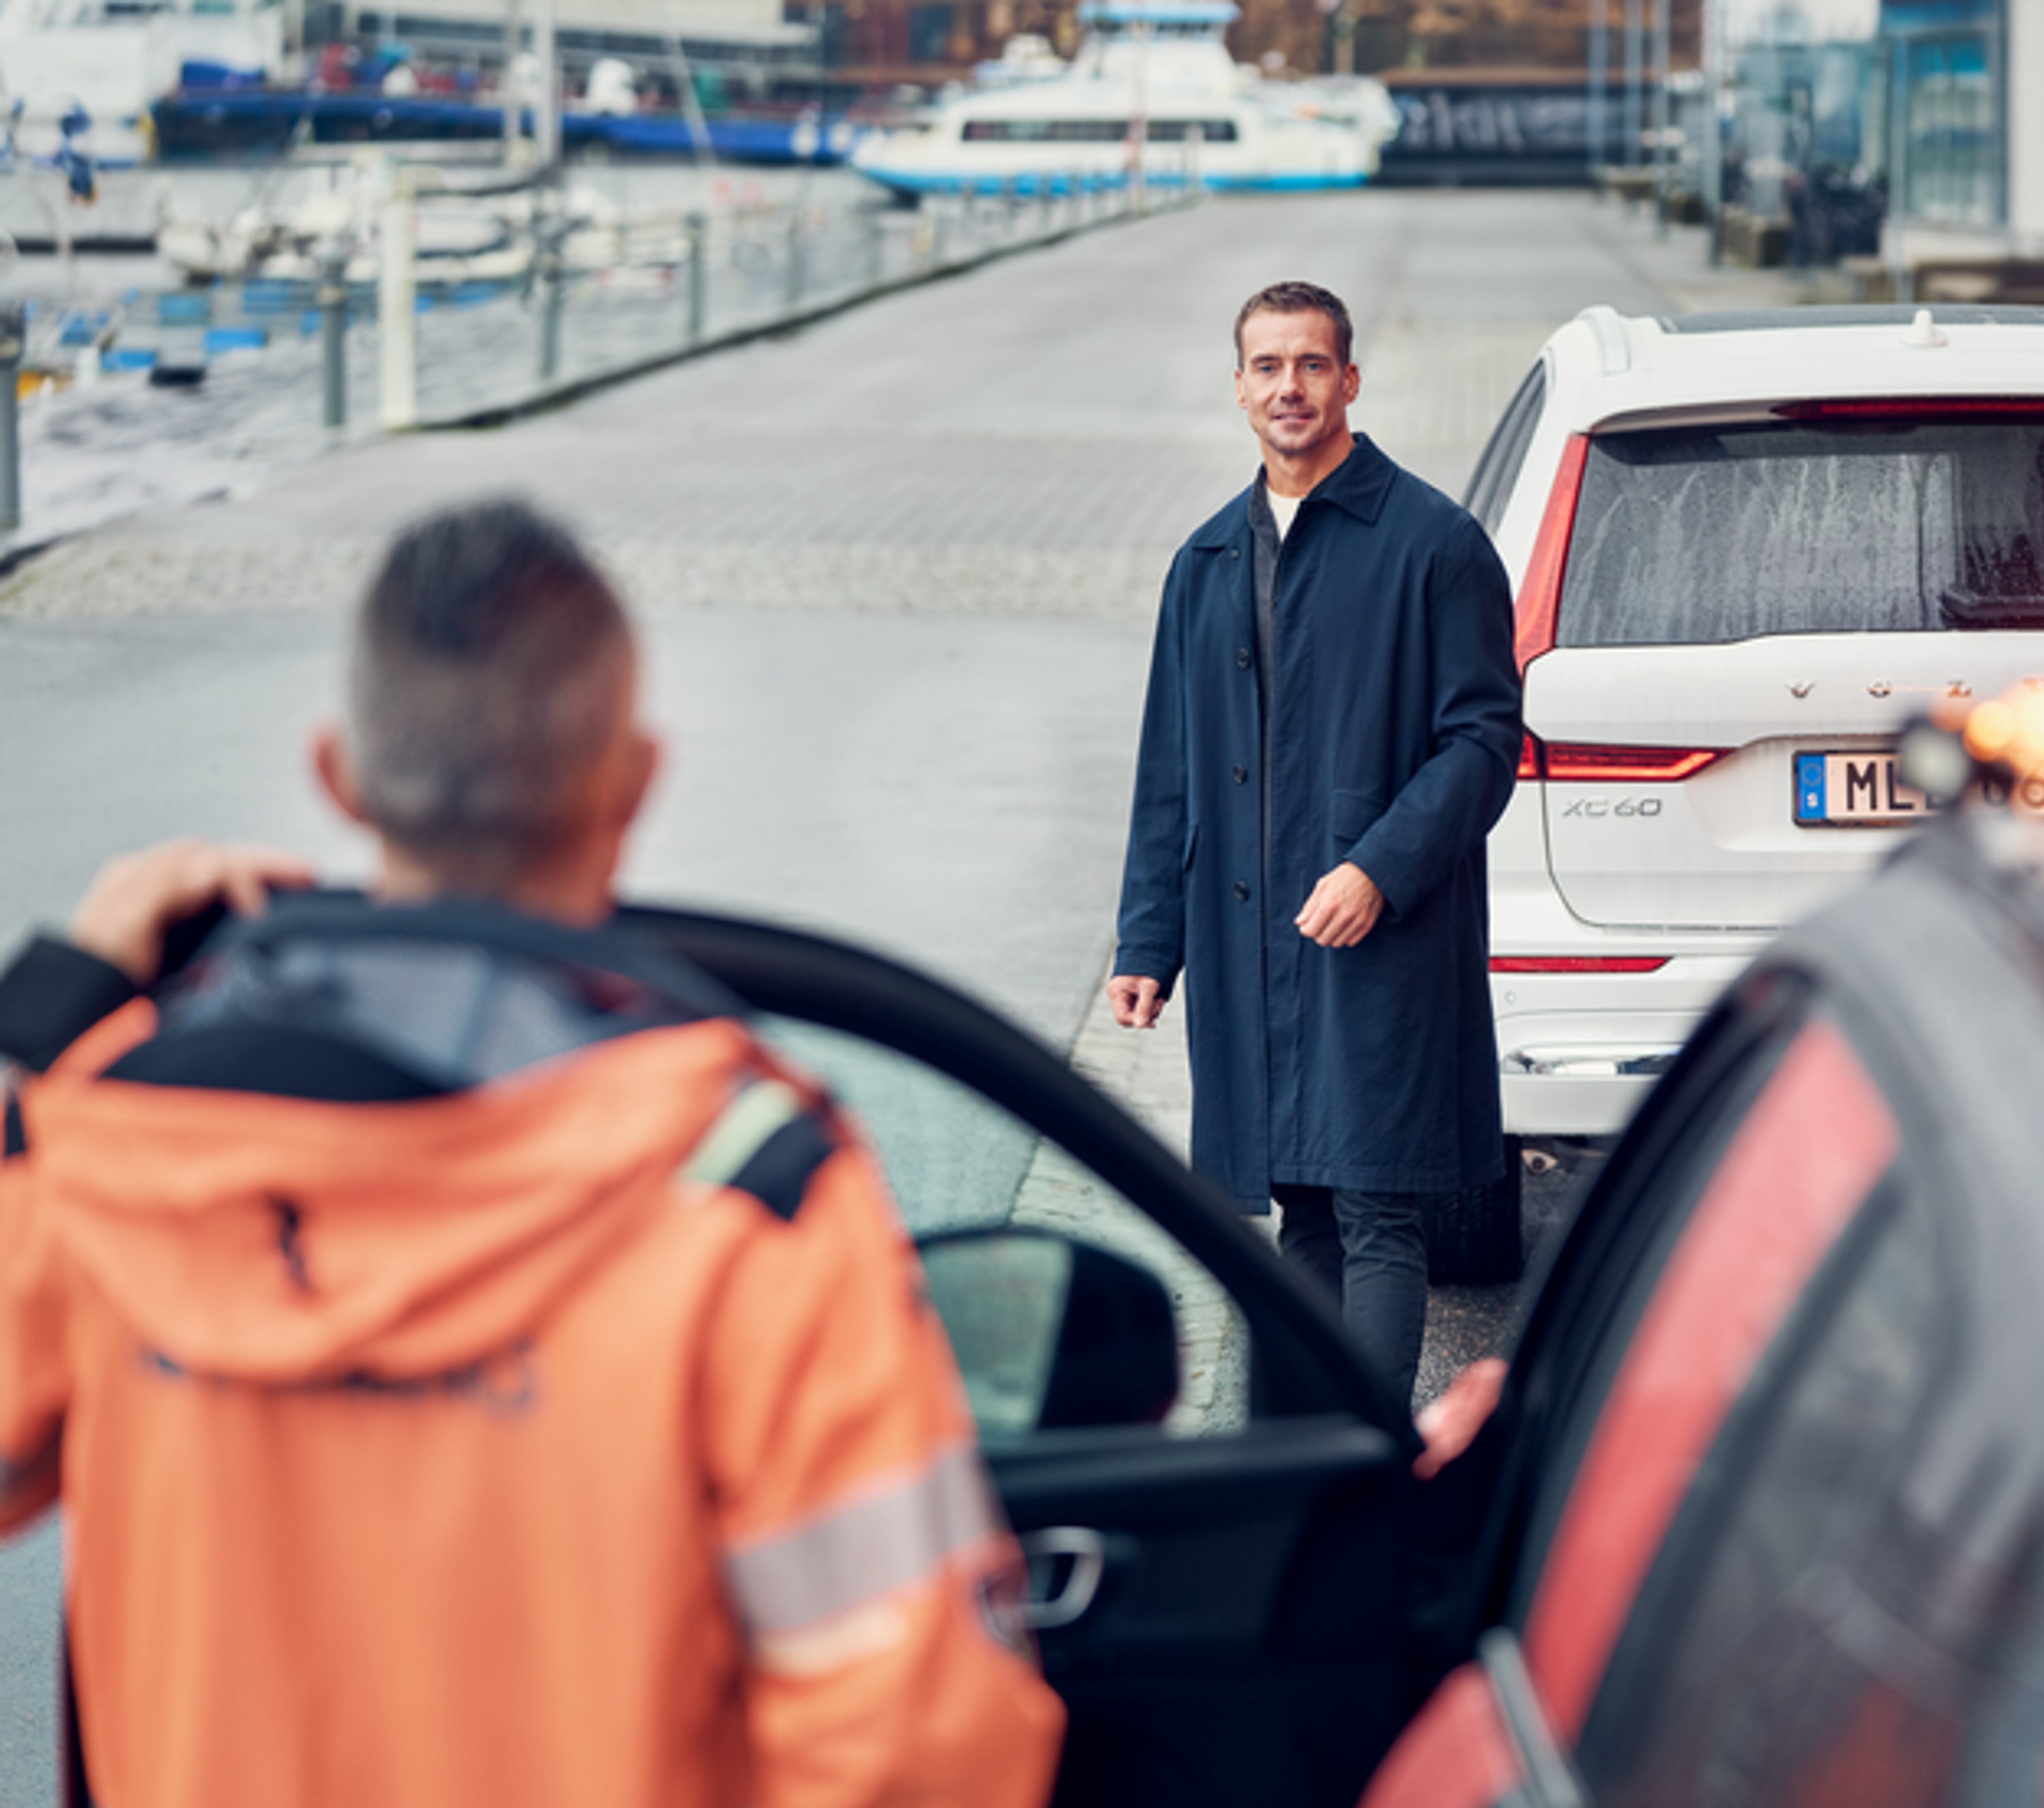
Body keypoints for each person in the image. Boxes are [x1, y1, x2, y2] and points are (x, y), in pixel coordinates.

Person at [0, 498, 1064, 1808]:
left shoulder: (105, 1151)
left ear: (337, 775)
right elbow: (923, 1747)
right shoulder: (744, 1190)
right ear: (634, 779)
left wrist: (44, 1022)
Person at [1107, 282, 1523, 1410]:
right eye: (1266, 367)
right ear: (1238, 388)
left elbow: (1486, 740)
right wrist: (1147, 941)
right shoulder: (1203, 563)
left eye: (1310, 365)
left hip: (1380, 932)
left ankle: (1369, 1451)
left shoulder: (1434, 543)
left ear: (1350, 380)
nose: (1288, 387)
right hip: (1250, 937)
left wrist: (1379, 869)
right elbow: (1170, 770)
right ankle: (1297, 1439)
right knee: (1301, 1200)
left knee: (1379, 1198)